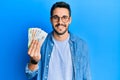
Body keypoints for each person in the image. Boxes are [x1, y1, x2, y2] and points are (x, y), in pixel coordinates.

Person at [25, 1, 91, 80]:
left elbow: (86, 76)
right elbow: (29, 75)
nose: (60, 22)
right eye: (56, 17)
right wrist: (33, 62)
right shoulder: (41, 43)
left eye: (64, 17)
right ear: (51, 20)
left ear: (70, 20)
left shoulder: (81, 45)